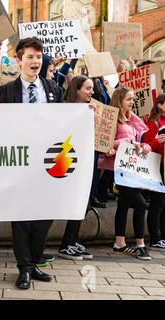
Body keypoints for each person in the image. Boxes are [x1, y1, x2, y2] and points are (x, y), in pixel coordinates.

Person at [0, 37, 62, 290]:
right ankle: (23, 268)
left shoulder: (53, 89)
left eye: (38, 57)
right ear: (19, 60)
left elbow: (63, 122)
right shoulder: (6, 91)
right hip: (19, 162)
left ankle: (34, 263)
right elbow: (0, 125)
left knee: (44, 216)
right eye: (30, 57)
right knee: (20, 217)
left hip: (47, 164)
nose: (35, 62)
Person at [98, 87, 152, 260]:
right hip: (117, 170)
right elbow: (104, 142)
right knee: (141, 204)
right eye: (129, 99)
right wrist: (128, 141)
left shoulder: (132, 118)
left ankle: (119, 244)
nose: (132, 102)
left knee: (123, 205)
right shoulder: (111, 119)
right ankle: (141, 245)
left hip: (131, 169)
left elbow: (140, 139)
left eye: (133, 99)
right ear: (120, 99)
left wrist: (144, 146)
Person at [57, 75, 96, 260]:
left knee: (84, 203)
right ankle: (66, 244)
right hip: (66, 161)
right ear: (77, 90)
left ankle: (71, 241)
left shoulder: (88, 109)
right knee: (78, 202)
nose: (92, 92)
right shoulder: (65, 109)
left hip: (82, 161)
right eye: (88, 88)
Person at [142, 94, 165, 252]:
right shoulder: (153, 124)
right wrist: (158, 141)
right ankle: (155, 238)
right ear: (160, 105)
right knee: (157, 204)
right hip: (159, 167)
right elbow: (147, 146)